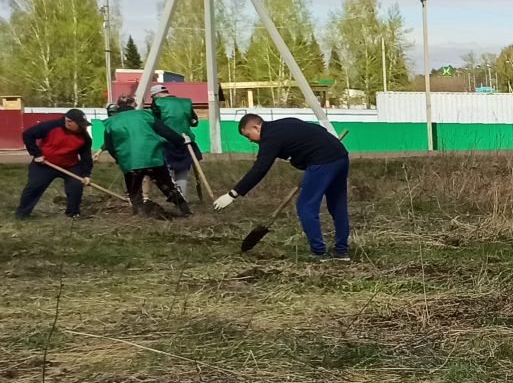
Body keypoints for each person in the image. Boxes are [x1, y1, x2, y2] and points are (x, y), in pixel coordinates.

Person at [213, 114, 351, 259]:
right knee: (337, 206)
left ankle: (319, 252)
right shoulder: (285, 123)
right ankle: (341, 251)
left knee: (306, 207)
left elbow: (260, 169)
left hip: (322, 162)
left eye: (248, 135)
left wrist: (233, 194)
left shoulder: (269, 137)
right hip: (340, 157)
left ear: (256, 127)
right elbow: (317, 129)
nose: (249, 140)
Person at [101, 97, 193, 218]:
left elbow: (110, 146)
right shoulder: (144, 115)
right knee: (167, 185)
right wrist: (180, 140)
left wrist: (119, 159)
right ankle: (185, 210)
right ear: (132, 105)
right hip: (153, 156)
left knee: (134, 190)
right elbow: (165, 131)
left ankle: (140, 214)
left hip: (130, 161)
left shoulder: (111, 122)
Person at [15, 110, 93, 219]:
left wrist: (86, 174)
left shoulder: (84, 137)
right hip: (45, 164)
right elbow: (28, 135)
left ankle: (73, 213)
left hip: (70, 165)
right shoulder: (50, 126)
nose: (82, 128)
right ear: (68, 121)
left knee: (76, 186)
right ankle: (22, 214)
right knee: (33, 187)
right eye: (79, 125)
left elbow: (86, 157)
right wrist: (37, 154)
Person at [149, 85, 202, 201]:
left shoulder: (157, 104)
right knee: (182, 170)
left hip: (167, 141)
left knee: (168, 171)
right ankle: (182, 197)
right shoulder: (186, 102)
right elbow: (194, 122)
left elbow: (154, 123)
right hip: (186, 140)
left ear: (156, 95)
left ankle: (176, 198)